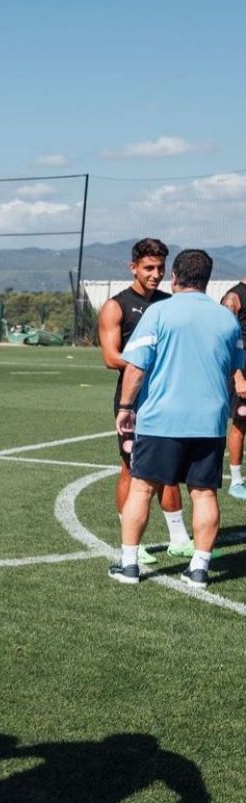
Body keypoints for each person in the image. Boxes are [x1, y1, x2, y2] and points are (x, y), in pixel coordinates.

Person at [108, 249, 244, 587]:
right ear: (207, 280)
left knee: (141, 487)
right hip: (209, 422)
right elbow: (234, 367)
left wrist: (125, 409)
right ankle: (199, 568)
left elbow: (136, 367)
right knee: (204, 493)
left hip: (160, 419)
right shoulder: (226, 318)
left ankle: (129, 565)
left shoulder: (157, 313)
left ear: (175, 277)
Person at [97, 239, 195, 563]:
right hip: (133, 399)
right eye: (148, 268)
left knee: (171, 467)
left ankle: (179, 538)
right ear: (133, 267)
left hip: (169, 398)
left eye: (160, 268)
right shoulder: (117, 306)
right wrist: (151, 361)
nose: (155, 274)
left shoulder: (170, 303)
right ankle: (132, 540)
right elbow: (111, 357)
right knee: (132, 468)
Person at [218, 279, 246, 499]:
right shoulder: (233, 297)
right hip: (242, 370)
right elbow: (226, 337)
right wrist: (238, 377)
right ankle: (236, 481)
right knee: (241, 424)